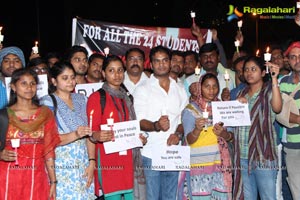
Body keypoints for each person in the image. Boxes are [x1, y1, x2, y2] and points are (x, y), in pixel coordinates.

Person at [87, 55, 147, 200]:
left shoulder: (127, 97)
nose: (117, 75)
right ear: (103, 73)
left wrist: (137, 139)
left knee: (131, 196)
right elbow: (91, 132)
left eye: (120, 70)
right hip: (109, 161)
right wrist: (97, 135)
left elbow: (130, 127)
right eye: (111, 70)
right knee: (112, 197)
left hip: (128, 159)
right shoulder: (97, 97)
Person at [133, 45, 188, 200]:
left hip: (173, 152)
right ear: (150, 65)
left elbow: (185, 118)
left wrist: (178, 133)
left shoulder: (179, 88)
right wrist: (156, 125)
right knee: (152, 197)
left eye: (165, 60)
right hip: (151, 152)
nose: (161, 64)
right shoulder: (142, 89)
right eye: (157, 61)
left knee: (171, 197)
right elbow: (139, 121)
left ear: (170, 63)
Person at [0, 68, 60, 199]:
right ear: (13, 87)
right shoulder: (3, 116)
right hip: (7, 179)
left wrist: (53, 181)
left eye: (33, 83)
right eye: (24, 83)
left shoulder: (45, 114)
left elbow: (49, 151)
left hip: (36, 179)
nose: (29, 87)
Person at [40, 62, 95, 199]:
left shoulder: (82, 99)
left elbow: (90, 134)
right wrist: (75, 134)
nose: (70, 82)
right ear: (53, 81)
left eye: (72, 77)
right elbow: (49, 140)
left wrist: (92, 161)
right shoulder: (47, 102)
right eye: (65, 78)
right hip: (61, 165)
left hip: (83, 161)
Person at [232, 56, 281, 199]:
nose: (249, 73)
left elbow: (277, 108)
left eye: (253, 69)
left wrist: (274, 79)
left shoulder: (269, 91)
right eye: (246, 69)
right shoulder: (241, 94)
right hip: (242, 156)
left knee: (268, 197)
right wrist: (237, 105)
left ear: (263, 72)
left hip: (263, 155)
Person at [179, 73, 232, 199]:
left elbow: (231, 136)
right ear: (199, 88)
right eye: (207, 86)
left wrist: (223, 133)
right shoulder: (190, 110)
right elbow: (189, 140)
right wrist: (197, 129)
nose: (211, 90)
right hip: (198, 166)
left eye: (214, 87)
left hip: (219, 164)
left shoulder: (223, 108)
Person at [279, 41, 300, 199]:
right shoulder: (282, 82)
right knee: (297, 191)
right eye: (293, 57)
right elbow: (279, 112)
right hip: (292, 147)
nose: (297, 60)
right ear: (288, 61)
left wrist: (292, 117)